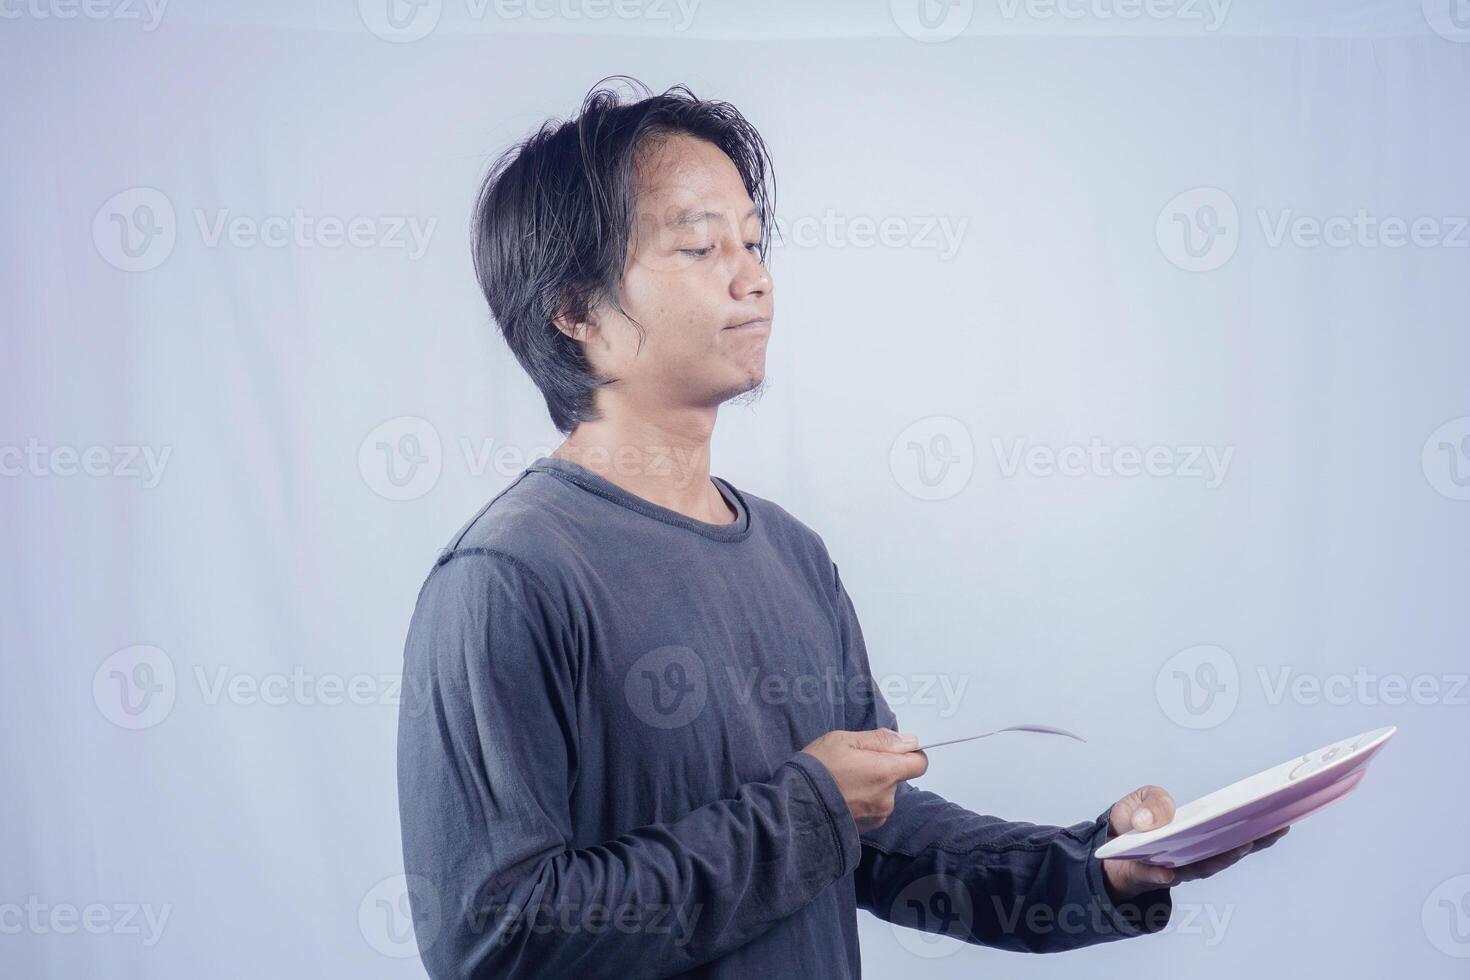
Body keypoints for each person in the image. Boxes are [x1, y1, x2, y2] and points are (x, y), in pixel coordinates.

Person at [395, 77, 1288, 979]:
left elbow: (882, 841)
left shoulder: (792, 554)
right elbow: (493, 941)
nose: (755, 276)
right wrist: (808, 810)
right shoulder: (507, 576)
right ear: (576, 309)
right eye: (701, 245)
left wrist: (1101, 870)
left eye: (752, 239)